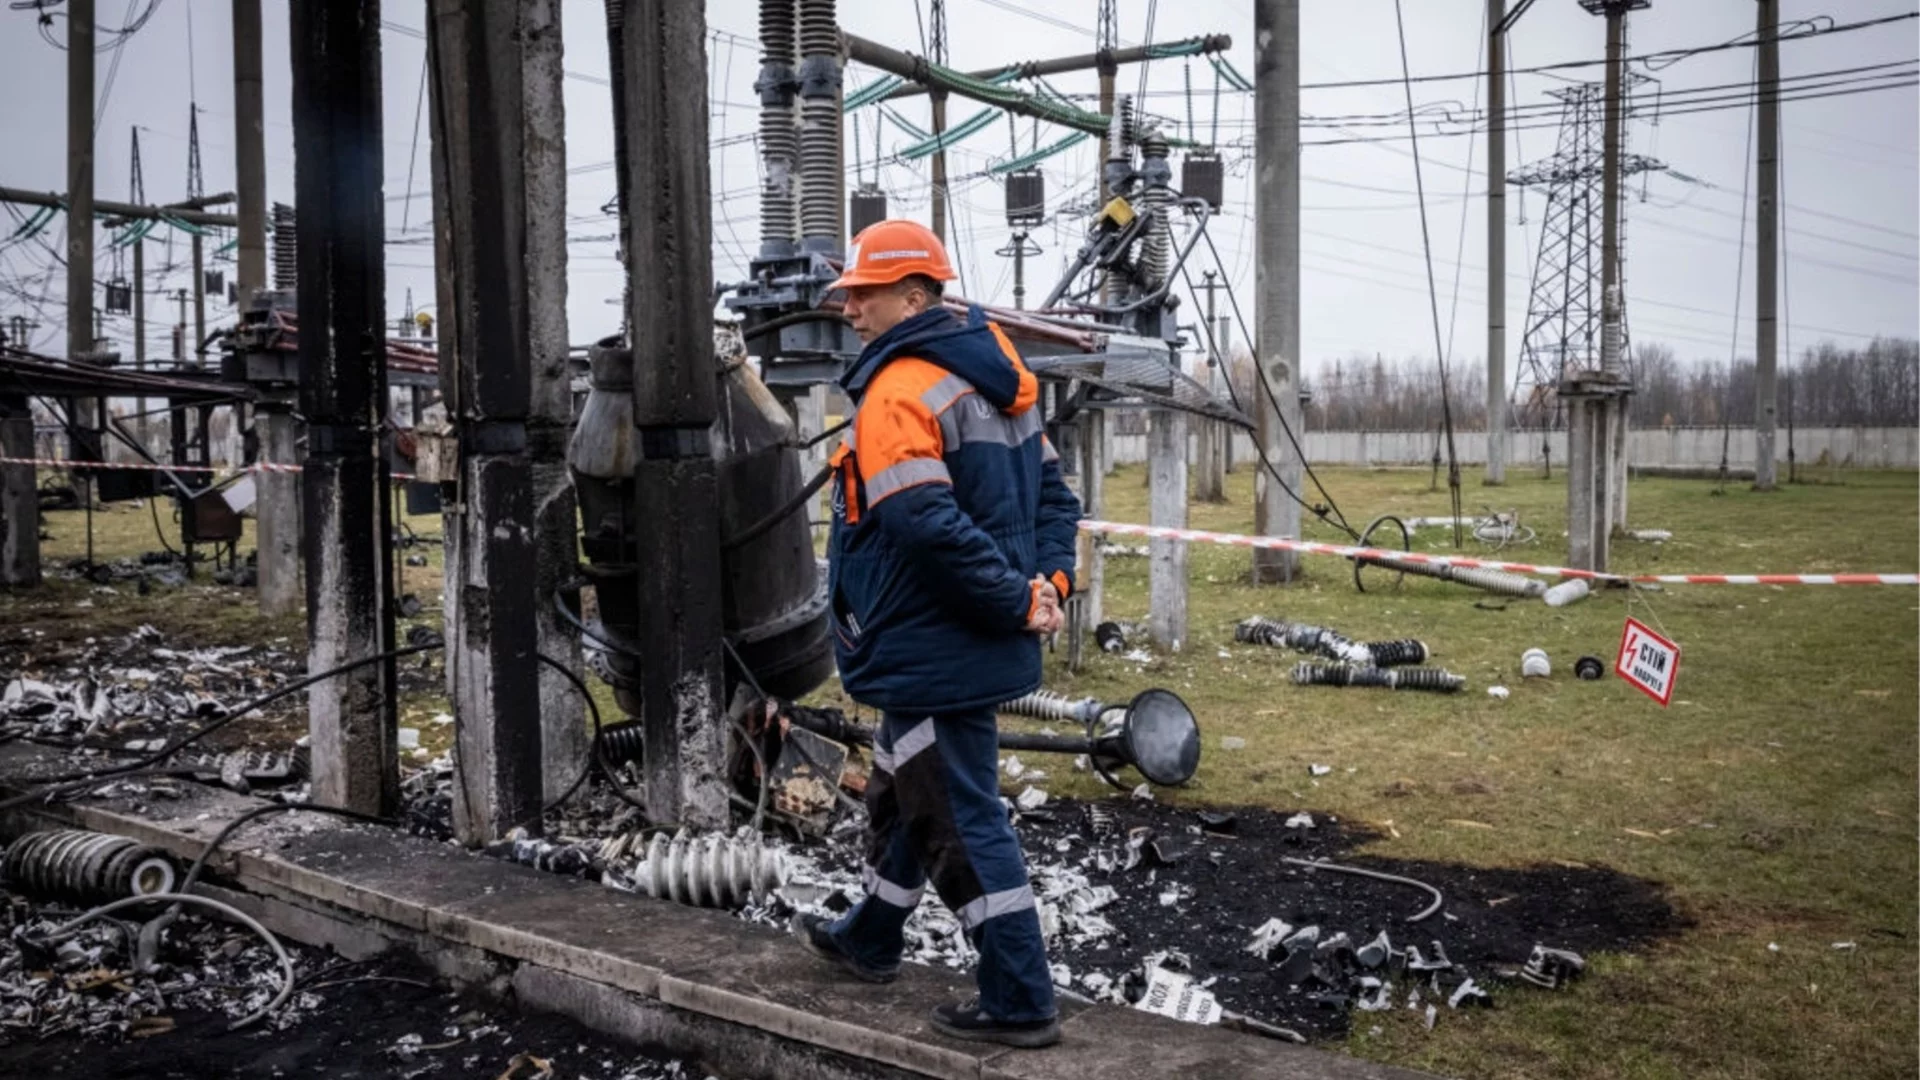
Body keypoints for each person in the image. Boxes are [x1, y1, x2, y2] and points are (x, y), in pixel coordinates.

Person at [791, 219, 1082, 1049]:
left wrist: (1014, 600)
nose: (850, 308)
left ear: (915, 295)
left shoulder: (899, 392)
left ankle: (1020, 997)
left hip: (932, 642)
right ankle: (873, 937)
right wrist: (1046, 587)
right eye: (849, 294)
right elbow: (1057, 503)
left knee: (956, 815)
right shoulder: (999, 384)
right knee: (899, 788)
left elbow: (923, 523)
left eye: (865, 294)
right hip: (959, 637)